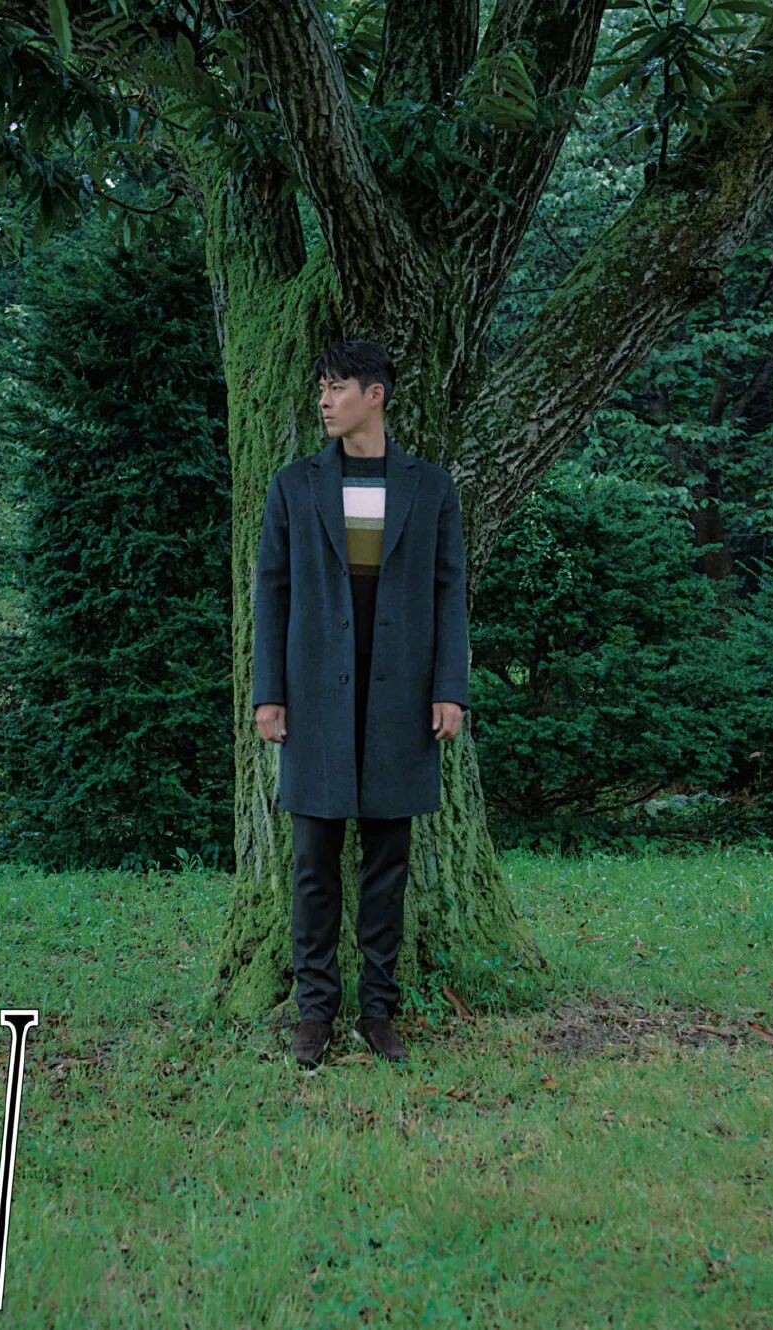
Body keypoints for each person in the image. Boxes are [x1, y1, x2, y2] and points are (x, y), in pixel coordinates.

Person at [252, 340, 471, 1069]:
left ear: (375, 395)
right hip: (315, 696)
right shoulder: (295, 485)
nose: (324, 400)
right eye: (321, 387)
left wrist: (449, 688)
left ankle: (379, 1011)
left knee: (387, 865)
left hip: (400, 701)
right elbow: (271, 593)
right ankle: (315, 1011)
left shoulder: (429, 487)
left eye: (337, 387)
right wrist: (269, 693)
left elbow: (449, 592)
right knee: (313, 862)